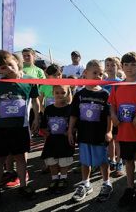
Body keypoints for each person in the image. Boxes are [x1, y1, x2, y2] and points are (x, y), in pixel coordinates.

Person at [0, 50, 40, 211]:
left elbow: (35, 101)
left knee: (21, 158)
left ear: (17, 61)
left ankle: (24, 185)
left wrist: (37, 118)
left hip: (20, 128)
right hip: (0, 128)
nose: (7, 69)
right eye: (2, 68)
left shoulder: (29, 80)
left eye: (10, 64)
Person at [108, 52, 136, 210]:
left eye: (133, 64)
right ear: (122, 66)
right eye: (126, 64)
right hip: (123, 131)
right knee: (128, 161)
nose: (129, 68)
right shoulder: (117, 86)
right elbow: (111, 104)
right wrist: (113, 115)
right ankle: (129, 188)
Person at [67, 59, 113, 203]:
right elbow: (74, 114)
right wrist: (70, 131)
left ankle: (107, 183)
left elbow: (109, 116)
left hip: (99, 134)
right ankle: (85, 184)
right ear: (85, 73)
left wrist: (109, 131)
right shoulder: (79, 94)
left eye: (101, 74)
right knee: (85, 161)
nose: (98, 76)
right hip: (83, 134)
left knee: (102, 161)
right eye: (95, 73)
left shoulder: (105, 94)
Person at [40, 85, 74, 193]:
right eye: (57, 93)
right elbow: (44, 125)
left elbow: (75, 125)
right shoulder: (49, 109)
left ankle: (63, 178)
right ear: (53, 93)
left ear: (68, 93)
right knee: (52, 161)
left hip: (65, 140)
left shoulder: (70, 109)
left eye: (63, 93)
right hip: (52, 140)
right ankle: (54, 179)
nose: (60, 95)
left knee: (64, 160)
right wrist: (46, 132)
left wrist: (70, 132)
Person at [103, 57, 124, 177]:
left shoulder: (121, 82)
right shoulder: (102, 82)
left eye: (113, 65)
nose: (110, 67)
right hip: (105, 116)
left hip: (117, 115)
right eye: (108, 65)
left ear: (118, 67)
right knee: (109, 140)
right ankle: (112, 160)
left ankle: (119, 162)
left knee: (117, 140)